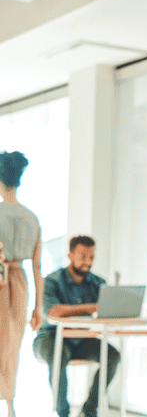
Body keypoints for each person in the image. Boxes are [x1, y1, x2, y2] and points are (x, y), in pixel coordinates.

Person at [33, 235, 121, 417]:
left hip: (81, 339)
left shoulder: (98, 283)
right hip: (49, 339)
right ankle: (63, 412)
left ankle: (89, 410)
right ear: (70, 255)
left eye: (91, 257)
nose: (87, 262)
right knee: (58, 354)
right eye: (82, 256)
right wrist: (91, 307)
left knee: (112, 355)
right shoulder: (53, 280)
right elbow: (53, 312)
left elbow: (106, 311)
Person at [0, 150, 43, 417]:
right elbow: (37, 267)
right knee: (12, 345)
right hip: (20, 283)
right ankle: (10, 405)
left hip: (2, 279)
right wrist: (38, 307)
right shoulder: (32, 217)